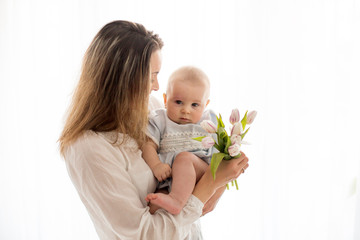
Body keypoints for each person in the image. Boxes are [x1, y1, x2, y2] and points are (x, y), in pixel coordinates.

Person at [59, 20, 249, 240]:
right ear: (123, 81)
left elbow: (198, 181)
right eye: (151, 77)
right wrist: (211, 183)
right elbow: (144, 234)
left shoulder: (154, 109)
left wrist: (219, 182)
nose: (157, 87)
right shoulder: (88, 148)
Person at [142, 66, 222, 215]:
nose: (186, 110)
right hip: (169, 178)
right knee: (152, 207)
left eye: (195, 105)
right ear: (165, 99)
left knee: (184, 159)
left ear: (206, 105)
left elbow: (220, 155)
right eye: (178, 102)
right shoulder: (159, 119)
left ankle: (176, 201)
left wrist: (218, 186)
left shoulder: (207, 122)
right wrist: (156, 165)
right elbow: (148, 145)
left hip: (199, 173)